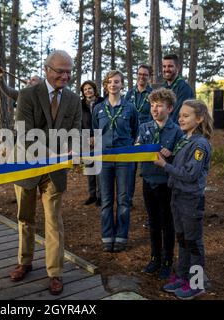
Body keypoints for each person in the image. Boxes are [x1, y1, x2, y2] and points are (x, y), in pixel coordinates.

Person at [10, 50, 81, 295]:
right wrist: (51, 154)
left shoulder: (73, 99)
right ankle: (25, 261)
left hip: (56, 171)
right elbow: (24, 132)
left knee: (54, 221)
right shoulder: (28, 95)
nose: (66, 76)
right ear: (47, 69)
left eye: (69, 71)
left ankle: (55, 272)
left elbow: (75, 130)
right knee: (25, 218)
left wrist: (72, 150)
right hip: (26, 165)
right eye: (61, 71)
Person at [154, 99, 213, 300]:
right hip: (177, 196)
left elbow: (189, 174)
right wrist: (168, 158)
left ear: (199, 119)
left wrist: (164, 165)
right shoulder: (185, 140)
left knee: (193, 242)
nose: (181, 119)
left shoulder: (200, 145)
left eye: (186, 116)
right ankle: (182, 276)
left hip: (191, 200)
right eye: (180, 115)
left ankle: (196, 284)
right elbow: (180, 166)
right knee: (182, 240)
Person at [136, 88, 183, 280]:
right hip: (148, 181)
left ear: (170, 108)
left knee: (167, 223)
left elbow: (181, 159)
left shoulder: (177, 131)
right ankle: (154, 258)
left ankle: (167, 261)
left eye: (159, 106)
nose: (155, 109)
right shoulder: (144, 128)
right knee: (153, 222)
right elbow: (137, 147)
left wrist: (170, 155)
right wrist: (137, 149)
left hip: (166, 184)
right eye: (152, 105)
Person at [92, 70, 138, 253]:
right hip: (104, 158)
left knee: (124, 199)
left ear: (122, 85)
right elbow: (96, 132)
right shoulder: (98, 109)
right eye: (110, 82)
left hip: (124, 159)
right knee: (106, 199)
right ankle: (107, 235)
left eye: (117, 82)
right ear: (105, 85)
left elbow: (135, 131)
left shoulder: (130, 108)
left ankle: (121, 236)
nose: (113, 85)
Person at [124, 64, 154, 225]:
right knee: (129, 170)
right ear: (137, 75)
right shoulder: (129, 94)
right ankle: (127, 202)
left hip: (147, 136)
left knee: (147, 172)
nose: (142, 77)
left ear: (150, 77)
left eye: (145, 75)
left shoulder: (152, 94)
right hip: (130, 136)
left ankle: (150, 208)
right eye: (140, 74)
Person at [80, 80, 104, 206]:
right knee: (89, 169)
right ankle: (92, 195)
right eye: (85, 89)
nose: (87, 91)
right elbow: (78, 122)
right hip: (85, 139)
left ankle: (100, 196)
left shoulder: (102, 102)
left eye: (90, 88)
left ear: (94, 89)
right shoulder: (80, 105)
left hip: (99, 138)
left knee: (99, 169)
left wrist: (96, 137)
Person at [161, 54, 194, 124]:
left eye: (170, 66)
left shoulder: (184, 88)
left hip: (177, 131)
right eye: (164, 66)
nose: (166, 69)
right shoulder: (162, 88)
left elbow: (177, 115)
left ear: (178, 68)